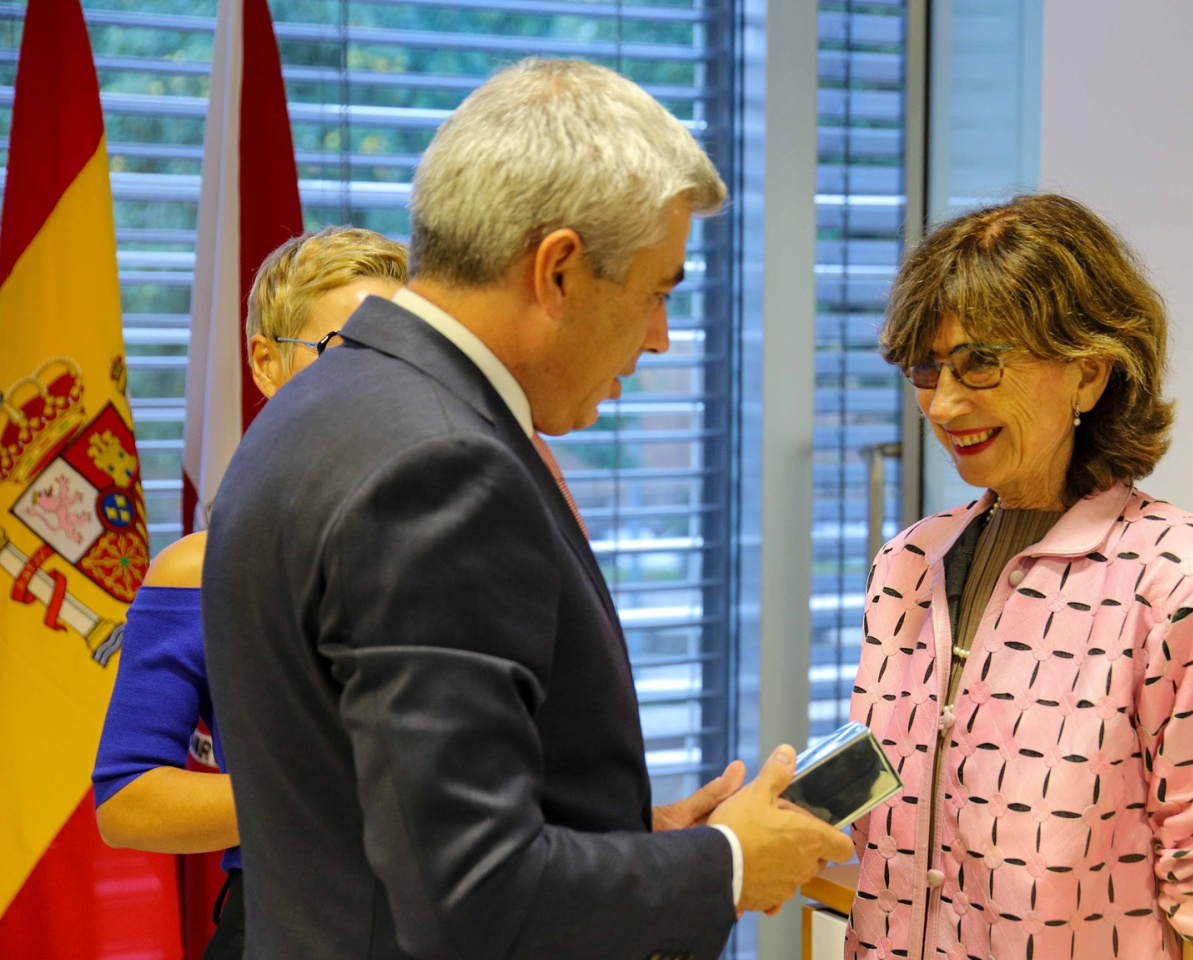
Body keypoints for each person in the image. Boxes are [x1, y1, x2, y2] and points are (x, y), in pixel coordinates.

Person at [201, 58, 851, 960]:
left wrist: (640, 844)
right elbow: (471, 898)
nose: (661, 336)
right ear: (559, 271)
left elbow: (380, 812)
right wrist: (730, 864)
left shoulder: (321, 401)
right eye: (659, 291)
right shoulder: (439, 467)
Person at [845, 194, 1193, 960]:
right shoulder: (910, 565)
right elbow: (885, 781)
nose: (945, 403)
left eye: (981, 363)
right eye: (928, 368)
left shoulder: (1188, 580)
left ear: (1088, 375)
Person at [92, 226, 409, 960]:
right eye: (343, 353)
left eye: (399, 359)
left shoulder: (461, 541)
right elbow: (128, 801)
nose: (378, 385)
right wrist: (326, 797)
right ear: (266, 363)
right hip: (285, 927)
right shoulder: (201, 571)